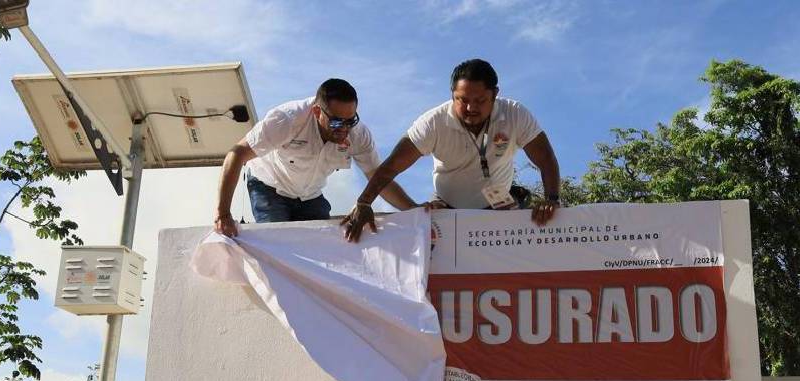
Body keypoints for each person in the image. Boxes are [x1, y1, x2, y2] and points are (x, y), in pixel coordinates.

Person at [341, 58, 562, 242]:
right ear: (451, 94)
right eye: (462, 100)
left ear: (495, 94)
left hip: (500, 209)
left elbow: (545, 157)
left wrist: (552, 199)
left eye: (480, 100)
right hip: (445, 209)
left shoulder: (516, 114)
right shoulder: (432, 123)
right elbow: (391, 166)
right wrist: (364, 202)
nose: (471, 108)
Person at [213, 79, 419, 237]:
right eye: (337, 122)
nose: (345, 129)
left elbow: (378, 179)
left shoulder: (358, 134)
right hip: (270, 187)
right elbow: (237, 154)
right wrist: (223, 215)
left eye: (351, 120)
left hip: (310, 195)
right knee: (278, 245)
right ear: (316, 111)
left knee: (321, 249)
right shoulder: (287, 119)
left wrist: (414, 210)